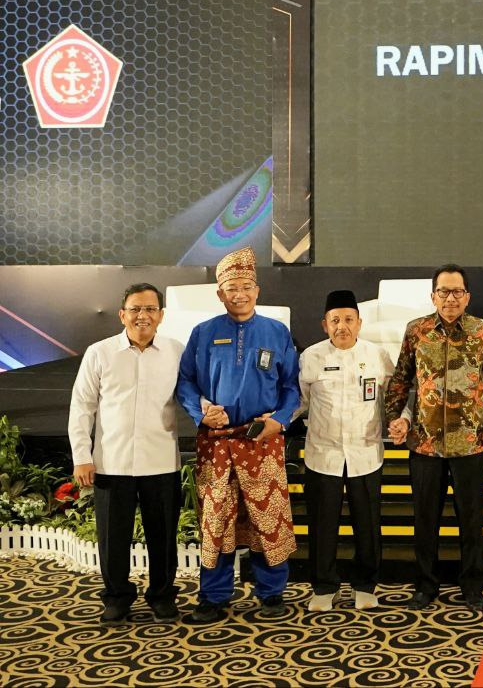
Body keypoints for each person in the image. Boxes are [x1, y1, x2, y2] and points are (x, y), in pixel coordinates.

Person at [177, 247, 300, 624]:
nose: (240, 294)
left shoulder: (276, 332)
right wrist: (201, 411)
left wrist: (280, 420)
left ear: (257, 290)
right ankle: (213, 597)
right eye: (232, 288)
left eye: (246, 287)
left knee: (268, 519)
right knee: (217, 522)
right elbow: (185, 382)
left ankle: (272, 594)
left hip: (262, 440)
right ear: (220, 293)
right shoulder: (203, 333)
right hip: (216, 444)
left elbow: (291, 387)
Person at [384, 265, 483, 610]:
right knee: (425, 520)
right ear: (433, 296)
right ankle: (426, 585)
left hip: (471, 443)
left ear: (467, 296)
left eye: (457, 291)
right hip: (425, 445)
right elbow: (401, 380)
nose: (450, 298)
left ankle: (473, 585)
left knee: (471, 520)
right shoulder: (417, 330)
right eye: (443, 291)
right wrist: (395, 419)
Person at [67, 283, 183, 625]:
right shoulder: (99, 352)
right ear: (122, 315)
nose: (142, 315)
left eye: (150, 309)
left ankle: (162, 596)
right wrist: (81, 456)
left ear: (161, 315)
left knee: (163, 537)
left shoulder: (177, 351)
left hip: (161, 460)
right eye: (135, 309)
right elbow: (82, 406)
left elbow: (193, 393)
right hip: (111, 462)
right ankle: (117, 598)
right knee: (113, 537)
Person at [297, 289, 395, 612]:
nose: (342, 326)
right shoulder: (311, 357)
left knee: (367, 523)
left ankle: (365, 585)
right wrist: (273, 420)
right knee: (322, 524)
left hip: (365, 454)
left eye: (349, 319)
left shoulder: (377, 355)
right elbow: (300, 402)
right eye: (335, 320)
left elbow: (394, 399)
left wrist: (402, 420)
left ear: (359, 323)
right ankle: (323, 587)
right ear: (324, 324)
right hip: (322, 454)